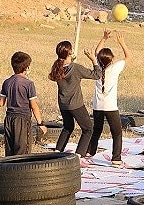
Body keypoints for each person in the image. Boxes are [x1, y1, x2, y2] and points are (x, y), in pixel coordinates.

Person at [49, 40, 101, 157]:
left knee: (68, 127)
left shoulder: (56, 67)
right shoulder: (75, 68)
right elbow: (97, 75)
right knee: (88, 129)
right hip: (76, 104)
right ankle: (79, 155)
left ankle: (57, 151)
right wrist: (93, 60)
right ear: (70, 52)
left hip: (63, 104)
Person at [86, 29, 131, 165]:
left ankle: (90, 152)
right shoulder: (115, 68)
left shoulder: (98, 67)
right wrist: (122, 43)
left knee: (97, 130)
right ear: (111, 60)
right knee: (116, 133)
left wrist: (104, 38)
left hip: (97, 106)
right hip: (110, 107)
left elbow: (96, 53)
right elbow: (128, 57)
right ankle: (116, 158)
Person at [0, 51, 47, 156]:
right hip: (22, 119)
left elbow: (1, 103)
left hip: (9, 119)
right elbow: (34, 106)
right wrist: (40, 123)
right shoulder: (28, 84)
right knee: (23, 151)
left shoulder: (7, 82)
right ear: (26, 68)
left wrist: (1, 96)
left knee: (10, 150)